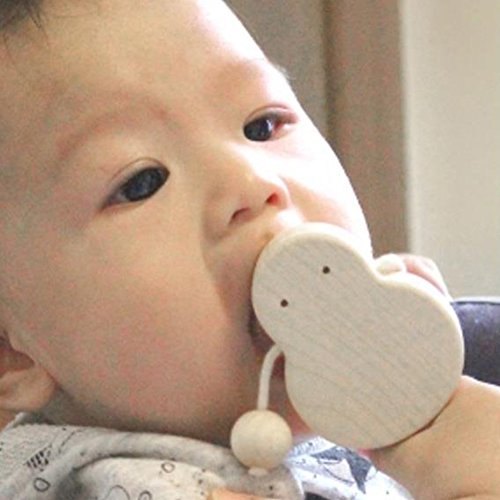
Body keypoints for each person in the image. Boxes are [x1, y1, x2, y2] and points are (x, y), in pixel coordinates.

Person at [0, 0, 498, 498]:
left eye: (262, 126)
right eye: (142, 182)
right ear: (11, 353)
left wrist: (418, 391)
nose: (251, 182)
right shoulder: (129, 484)